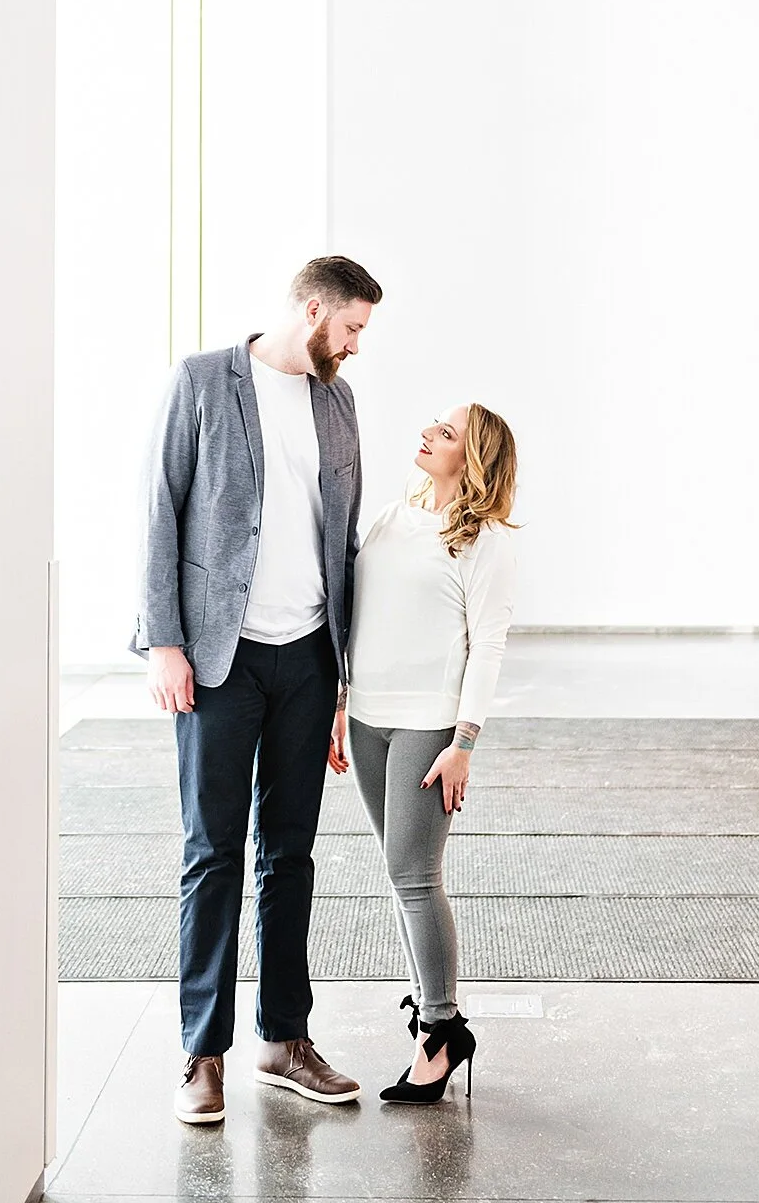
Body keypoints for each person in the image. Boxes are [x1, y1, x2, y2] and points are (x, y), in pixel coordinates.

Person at [131, 255, 383, 1124]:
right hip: (217, 658)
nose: (354, 347)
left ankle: (284, 1038)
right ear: (312, 310)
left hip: (309, 656)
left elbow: (342, 540)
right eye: (349, 328)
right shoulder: (203, 382)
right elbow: (158, 508)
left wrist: (346, 678)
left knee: (292, 853)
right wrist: (164, 640)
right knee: (212, 853)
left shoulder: (337, 402)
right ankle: (203, 1053)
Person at [332, 402, 518, 1103]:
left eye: (445, 432)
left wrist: (463, 742)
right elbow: (359, 619)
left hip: (428, 727)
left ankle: (440, 1032)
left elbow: (488, 645)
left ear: (472, 456)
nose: (427, 434)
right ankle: (433, 1015)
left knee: (415, 875)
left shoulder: (484, 542)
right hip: (369, 720)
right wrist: (341, 702)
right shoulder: (391, 518)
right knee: (397, 871)